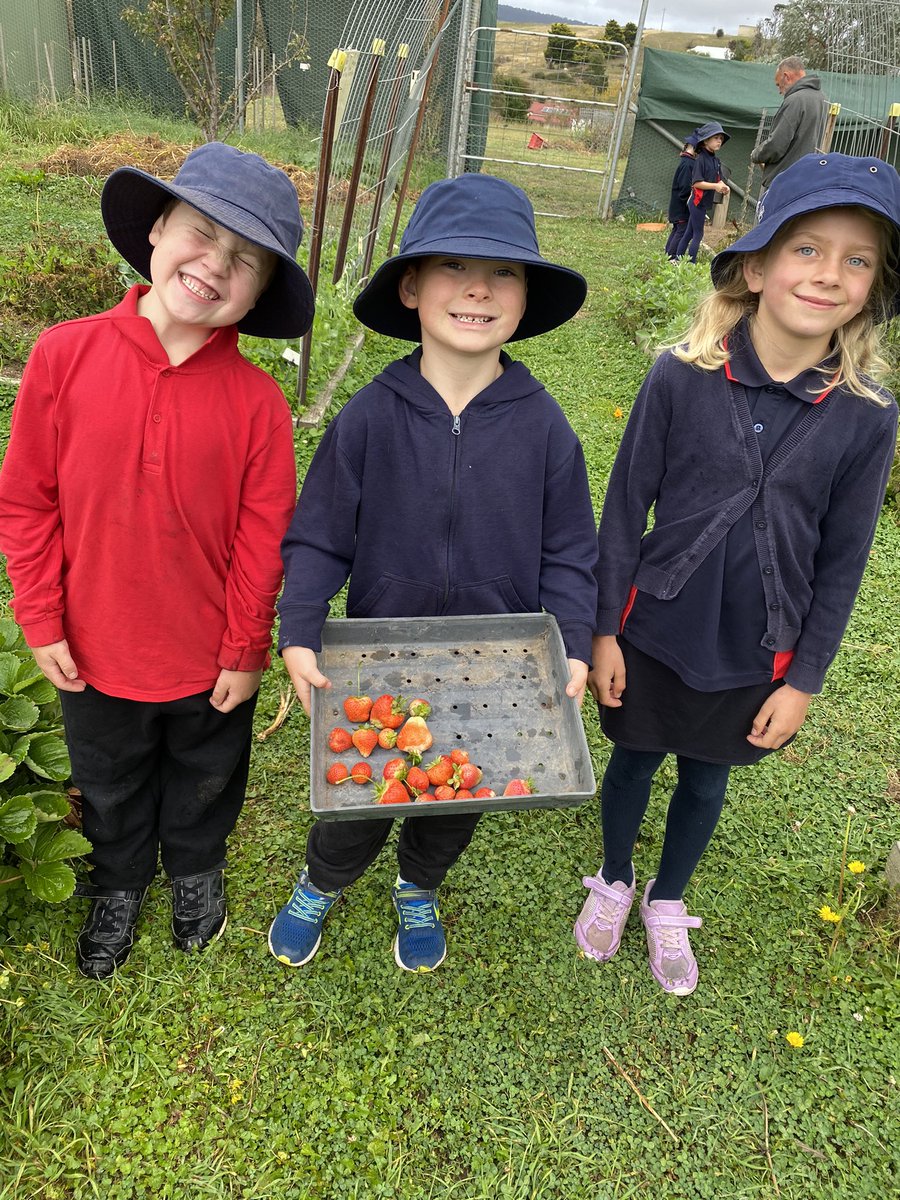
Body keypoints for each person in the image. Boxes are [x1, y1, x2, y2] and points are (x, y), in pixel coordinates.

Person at [574, 152, 900, 996]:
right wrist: (605, 627)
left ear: (875, 285)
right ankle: (614, 877)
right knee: (636, 758)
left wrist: (806, 681)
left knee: (707, 777)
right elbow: (622, 509)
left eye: (856, 258)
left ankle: (667, 897)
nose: (829, 274)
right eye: (807, 249)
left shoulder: (866, 417)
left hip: (758, 645)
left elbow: (845, 559)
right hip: (654, 626)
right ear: (755, 267)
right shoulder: (679, 375)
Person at [269, 173, 598, 974]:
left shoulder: (545, 428)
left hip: (497, 665)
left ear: (524, 298)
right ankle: (325, 878)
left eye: (505, 272)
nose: (479, 287)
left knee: (462, 790)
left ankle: (419, 885)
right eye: (453, 265)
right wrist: (301, 626)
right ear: (412, 286)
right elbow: (317, 538)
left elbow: (571, 553)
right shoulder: (369, 417)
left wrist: (575, 643)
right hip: (380, 654)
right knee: (364, 790)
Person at [0, 143, 314, 979]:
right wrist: (39, 616)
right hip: (92, 649)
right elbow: (28, 502)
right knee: (108, 777)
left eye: (245, 260)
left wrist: (246, 649)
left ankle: (196, 868)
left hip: (206, 658)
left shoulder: (258, 406)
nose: (215, 264)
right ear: (157, 232)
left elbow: (261, 542)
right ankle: (120, 879)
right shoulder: (64, 357)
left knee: (207, 772)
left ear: (259, 294)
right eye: (202, 233)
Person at [751, 57, 828, 192]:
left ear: (786, 76)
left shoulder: (795, 100)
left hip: (786, 182)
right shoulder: (822, 98)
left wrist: (757, 154)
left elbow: (776, 145)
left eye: (778, 85)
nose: (779, 91)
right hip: (808, 179)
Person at [673, 121, 730, 263]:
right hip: (697, 203)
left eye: (721, 139)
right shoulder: (701, 160)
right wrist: (714, 187)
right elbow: (697, 183)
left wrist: (724, 186)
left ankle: (679, 260)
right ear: (705, 141)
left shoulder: (715, 160)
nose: (719, 141)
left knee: (689, 233)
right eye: (716, 137)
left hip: (703, 203)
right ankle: (690, 264)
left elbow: (719, 179)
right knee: (698, 234)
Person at [664, 132, 698, 259]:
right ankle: (672, 257)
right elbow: (684, 186)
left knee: (677, 229)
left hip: (677, 204)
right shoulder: (688, 164)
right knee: (681, 230)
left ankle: (667, 255)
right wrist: (689, 200)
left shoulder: (685, 161)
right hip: (681, 205)